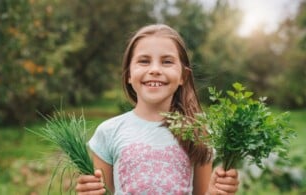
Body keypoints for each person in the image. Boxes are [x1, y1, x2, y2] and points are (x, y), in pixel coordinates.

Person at [76, 24, 239, 195]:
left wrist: (215, 192)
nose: (154, 70)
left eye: (167, 62)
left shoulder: (198, 131)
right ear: (129, 75)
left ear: (183, 76)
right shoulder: (108, 132)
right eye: (144, 61)